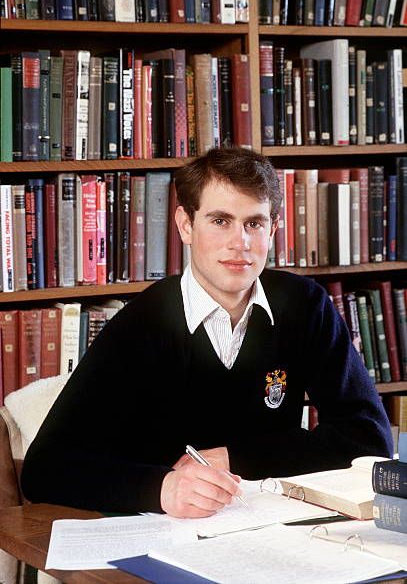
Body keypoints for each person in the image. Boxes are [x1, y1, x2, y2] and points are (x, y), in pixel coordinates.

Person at [21, 147, 393, 519]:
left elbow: (369, 438)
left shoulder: (305, 305)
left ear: (274, 228)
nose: (240, 243)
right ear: (186, 225)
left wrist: (237, 457)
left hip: (272, 521)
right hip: (167, 529)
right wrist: (161, 489)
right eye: (220, 221)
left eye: (254, 223)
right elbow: (46, 468)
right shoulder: (141, 323)